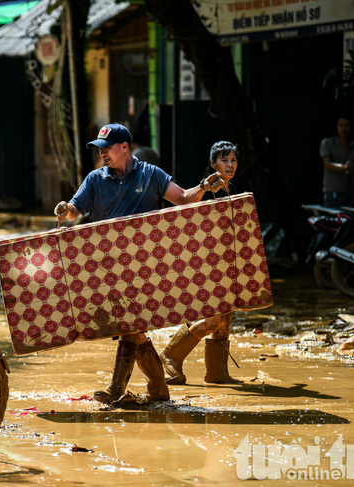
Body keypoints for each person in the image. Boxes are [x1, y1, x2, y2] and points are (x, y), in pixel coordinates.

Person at [54, 123, 225, 404]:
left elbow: (182, 198)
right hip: (107, 268)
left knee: (129, 325)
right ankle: (158, 389)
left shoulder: (151, 174)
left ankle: (120, 389)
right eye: (100, 150)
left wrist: (204, 187)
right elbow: (74, 209)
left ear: (124, 147)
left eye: (107, 149)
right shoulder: (95, 179)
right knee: (132, 327)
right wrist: (65, 209)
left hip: (146, 269)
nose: (103, 154)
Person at [160, 141, 242, 385]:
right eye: (224, 160)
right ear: (212, 164)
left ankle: (217, 373)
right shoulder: (208, 192)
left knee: (225, 318)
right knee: (213, 319)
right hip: (209, 265)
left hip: (227, 263)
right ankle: (171, 354)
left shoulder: (230, 191)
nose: (230, 164)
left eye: (233, 160)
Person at [320, 115, 354, 207]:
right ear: (337, 126)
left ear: (352, 127)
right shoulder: (327, 143)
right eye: (341, 125)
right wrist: (345, 167)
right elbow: (327, 164)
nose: (344, 129)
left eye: (347, 125)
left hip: (350, 193)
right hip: (332, 192)